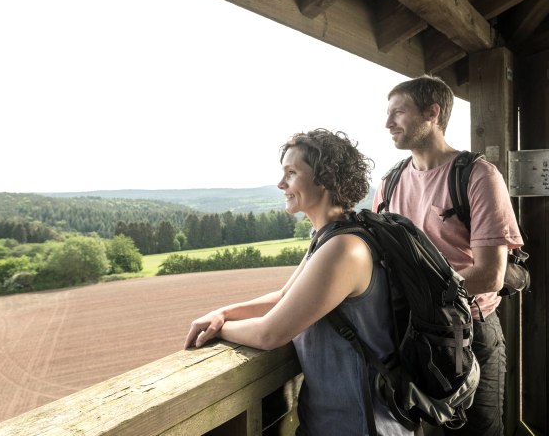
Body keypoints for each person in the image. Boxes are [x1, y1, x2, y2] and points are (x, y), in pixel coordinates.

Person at [185, 128, 412, 436]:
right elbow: (283, 298)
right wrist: (223, 312)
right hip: (332, 422)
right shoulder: (332, 237)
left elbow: (269, 334)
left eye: (291, 173)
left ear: (325, 178)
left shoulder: (344, 248)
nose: (281, 184)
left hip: (362, 426)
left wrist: (218, 330)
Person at [372, 75, 523, 436]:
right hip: (409, 333)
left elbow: (489, 276)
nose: (387, 123)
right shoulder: (389, 183)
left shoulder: (477, 175)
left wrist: (416, 291)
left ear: (432, 113)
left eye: (398, 112)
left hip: (466, 331)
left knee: (479, 431)